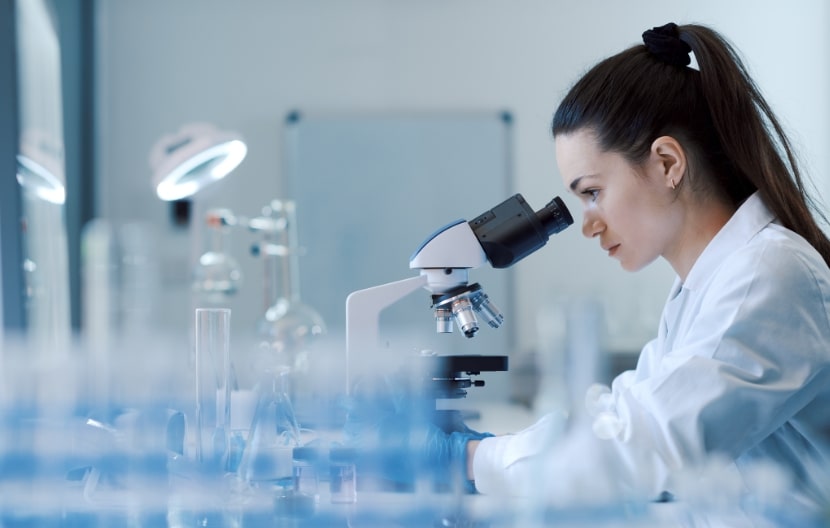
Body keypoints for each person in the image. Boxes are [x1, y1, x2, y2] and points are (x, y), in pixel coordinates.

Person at [464, 22, 830, 511]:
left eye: (592, 192)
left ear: (666, 163)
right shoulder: (700, 289)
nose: (588, 225)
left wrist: (473, 461)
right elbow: (618, 416)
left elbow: (649, 445)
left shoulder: (770, 275)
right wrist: (490, 451)